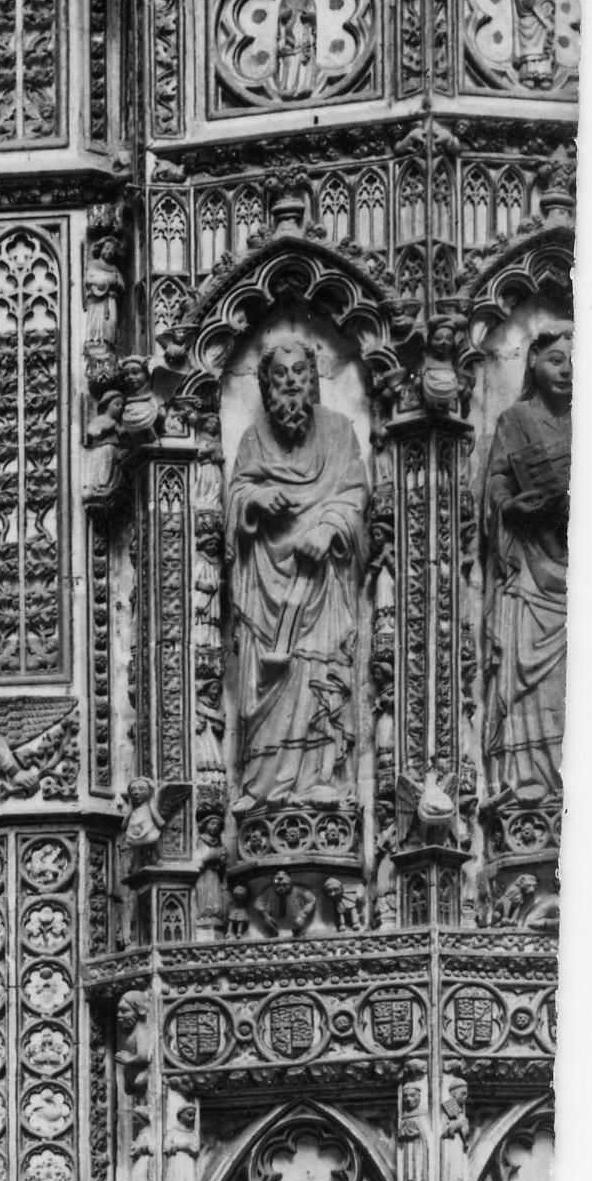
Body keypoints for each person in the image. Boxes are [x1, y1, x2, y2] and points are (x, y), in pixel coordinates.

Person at [227, 333, 371, 822]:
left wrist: (328, 526)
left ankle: (322, 778)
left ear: (313, 379)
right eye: (279, 374)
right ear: (266, 383)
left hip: (321, 582)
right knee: (268, 680)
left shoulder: (337, 431)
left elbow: (354, 496)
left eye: (299, 373)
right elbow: (237, 495)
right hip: (267, 580)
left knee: (318, 671)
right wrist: (255, 501)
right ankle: (263, 783)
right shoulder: (253, 438)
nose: (290, 383)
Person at [484, 326, 571, 811]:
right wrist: (512, 507)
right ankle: (533, 782)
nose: (568, 370)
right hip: (531, 569)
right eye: (558, 359)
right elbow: (496, 480)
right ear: (533, 359)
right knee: (534, 683)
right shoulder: (515, 420)